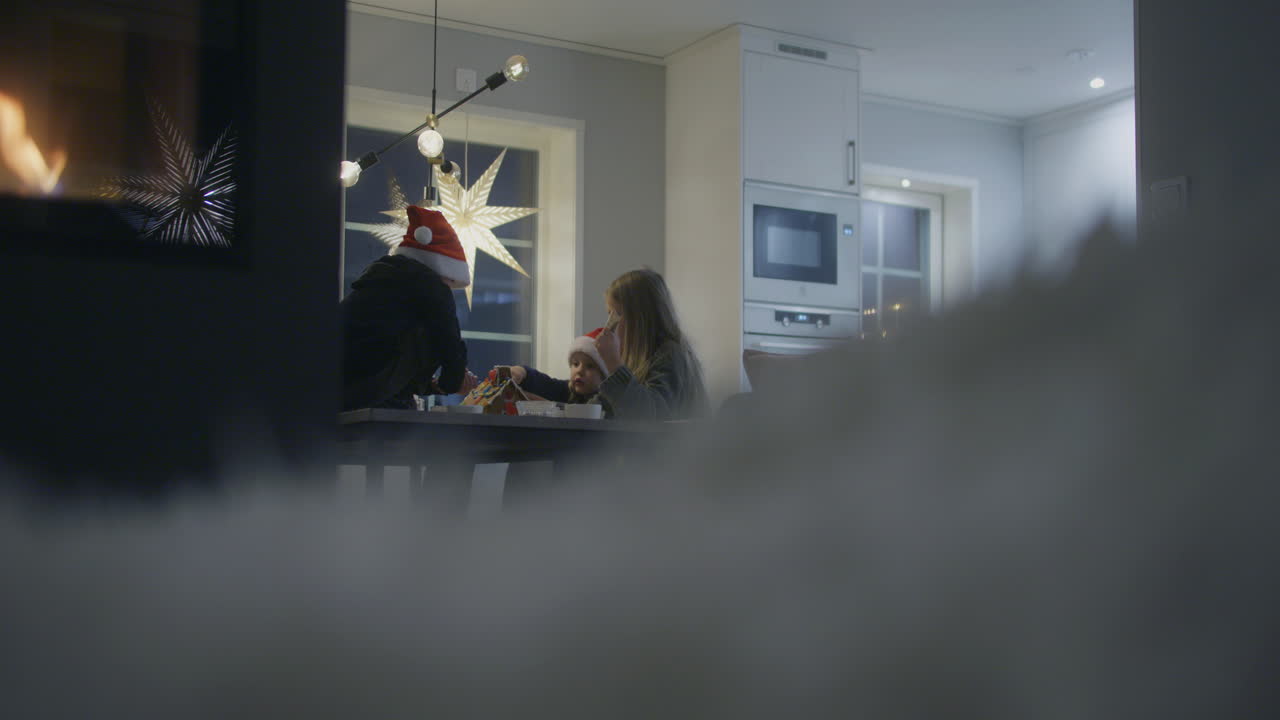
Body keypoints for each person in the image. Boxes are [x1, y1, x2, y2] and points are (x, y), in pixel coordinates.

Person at [503, 268, 709, 421]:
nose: (609, 324)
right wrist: (542, 400)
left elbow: (648, 414)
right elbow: (599, 408)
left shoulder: (669, 355)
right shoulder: (635, 361)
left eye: (616, 314)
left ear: (641, 318)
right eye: (608, 314)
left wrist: (614, 365)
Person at [340, 205, 478, 410]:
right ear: (445, 270)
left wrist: (432, 386)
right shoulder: (432, 287)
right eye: (451, 282)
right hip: (376, 400)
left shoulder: (378, 283)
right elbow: (448, 343)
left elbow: (384, 348)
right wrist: (454, 381)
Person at [510, 328, 611, 416]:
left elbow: (581, 414)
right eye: (575, 364)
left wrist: (546, 406)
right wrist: (522, 372)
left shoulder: (606, 402)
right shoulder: (568, 389)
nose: (579, 370)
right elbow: (544, 383)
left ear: (604, 376)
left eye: (590, 366)